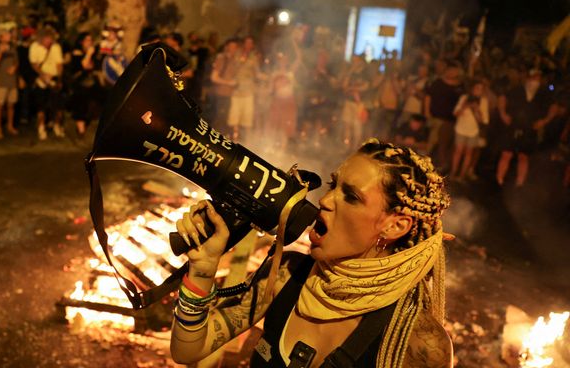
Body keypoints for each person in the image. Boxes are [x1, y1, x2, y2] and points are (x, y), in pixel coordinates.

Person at [171, 138, 453, 367]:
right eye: (333, 185)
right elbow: (187, 351)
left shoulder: (418, 342)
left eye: (351, 197)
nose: (326, 200)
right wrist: (204, 267)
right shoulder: (286, 273)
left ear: (396, 226)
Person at [495, 68, 557, 187]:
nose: (535, 80)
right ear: (528, 78)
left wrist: (545, 121)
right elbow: (502, 98)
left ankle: (520, 183)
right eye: (533, 77)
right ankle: (499, 178)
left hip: (530, 128)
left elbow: (554, 107)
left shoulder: (544, 94)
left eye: (537, 78)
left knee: (524, 156)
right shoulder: (517, 90)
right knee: (506, 154)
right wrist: (503, 114)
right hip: (513, 126)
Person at [28, 27, 65, 140]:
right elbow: (33, 64)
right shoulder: (35, 47)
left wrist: (58, 78)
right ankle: (41, 128)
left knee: (57, 106)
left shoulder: (56, 47)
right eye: (47, 38)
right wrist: (43, 75)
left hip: (53, 79)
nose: (49, 41)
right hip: (41, 80)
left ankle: (56, 126)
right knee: (41, 107)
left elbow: (59, 64)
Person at [450, 80, 489, 181]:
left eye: (480, 89)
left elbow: (484, 120)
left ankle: (462, 175)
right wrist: (465, 106)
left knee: (468, 153)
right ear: (472, 89)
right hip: (461, 129)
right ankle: (453, 173)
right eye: (476, 88)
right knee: (458, 151)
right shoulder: (464, 98)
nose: (478, 91)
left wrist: (477, 110)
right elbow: (456, 113)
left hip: (473, 131)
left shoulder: (483, 101)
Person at [0, 28, 19, 139]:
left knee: (11, 105)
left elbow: (16, 62)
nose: (9, 36)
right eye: (6, 35)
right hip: (1, 81)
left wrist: (14, 68)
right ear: (0, 37)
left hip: (12, 81)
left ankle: (10, 125)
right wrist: (0, 52)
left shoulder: (13, 49)